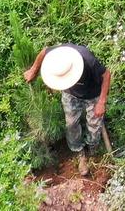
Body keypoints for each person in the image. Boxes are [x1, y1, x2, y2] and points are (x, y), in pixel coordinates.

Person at [24, 42, 111, 173]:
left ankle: (92, 149)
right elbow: (44, 51)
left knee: (94, 127)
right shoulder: (59, 54)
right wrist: (33, 70)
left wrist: (101, 102)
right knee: (71, 124)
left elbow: (107, 75)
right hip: (71, 94)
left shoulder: (87, 58)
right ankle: (79, 153)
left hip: (93, 94)